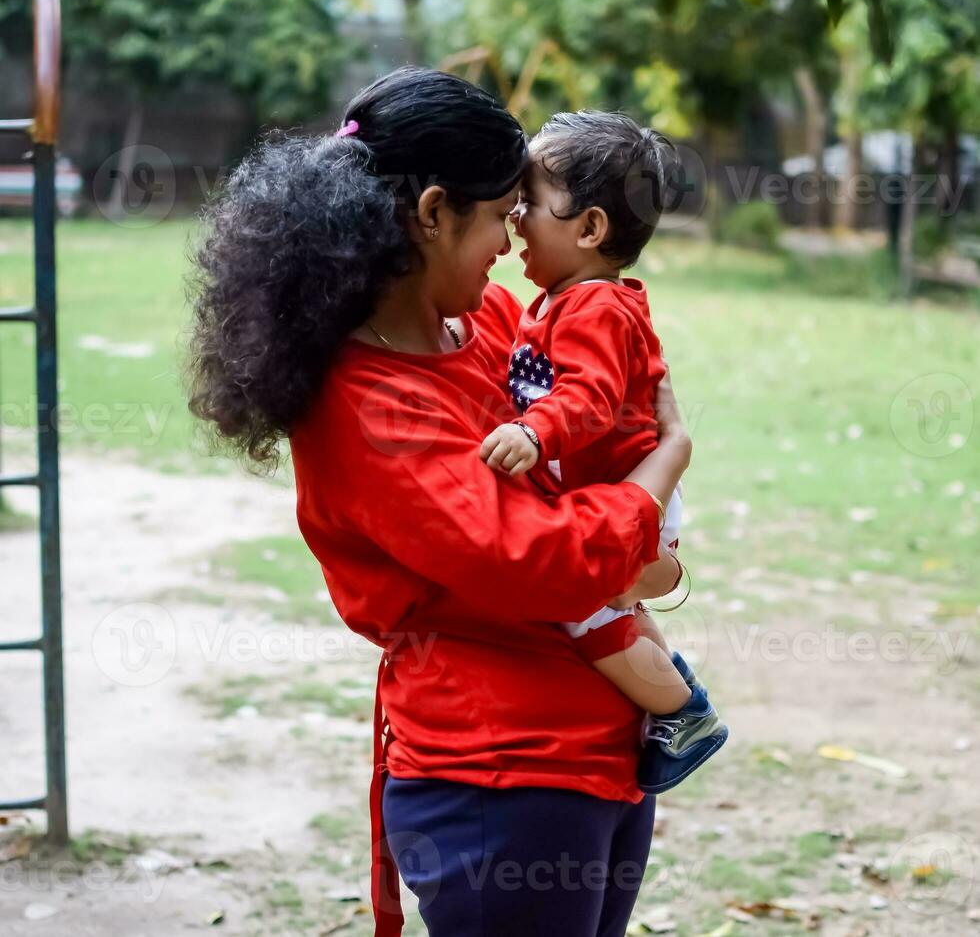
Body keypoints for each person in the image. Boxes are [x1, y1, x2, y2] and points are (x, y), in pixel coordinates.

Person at [185, 67, 692, 937]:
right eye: (501, 214)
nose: (511, 242)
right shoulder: (362, 404)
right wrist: (665, 473)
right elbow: (542, 561)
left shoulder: (492, 322)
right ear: (430, 213)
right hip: (503, 779)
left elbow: (606, 452)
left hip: (606, 756)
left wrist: (646, 556)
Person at [479, 111, 728, 794]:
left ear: (589, 228)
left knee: (587, 612)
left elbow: (588, 400)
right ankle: (675, 704)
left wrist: (534, 434)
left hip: (628, 489)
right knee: (611, 606)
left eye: (529, 202)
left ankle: (681, 710)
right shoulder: (564, 300)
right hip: (616, 489)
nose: (515, 216)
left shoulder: (597, 308)